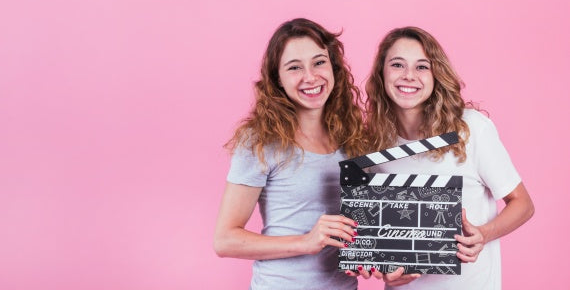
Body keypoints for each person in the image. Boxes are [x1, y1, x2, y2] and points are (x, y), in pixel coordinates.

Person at [361, 26, 535, 289]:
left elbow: (523, 204)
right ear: (382, 73)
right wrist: (383, 268)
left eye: (422, 67)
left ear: (435, 75)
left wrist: (483, 235)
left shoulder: (471, 129)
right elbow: (376, 232)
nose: (409, 76)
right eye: (397, 64)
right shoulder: (373, 142)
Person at [213, 18, 368, 289]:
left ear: (333, 67)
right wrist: (305, 242)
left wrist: (372, 256)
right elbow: (225, 240)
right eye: (294, 67)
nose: (310, 76)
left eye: (319, 62)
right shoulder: (260, 141)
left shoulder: (352, 137)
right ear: (278, 80)